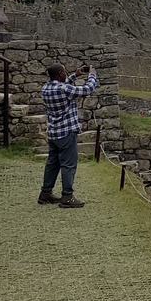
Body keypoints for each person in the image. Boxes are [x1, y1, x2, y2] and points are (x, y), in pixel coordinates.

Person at [38, 62, 97, 208]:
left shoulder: (45, 88)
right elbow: (87, 89)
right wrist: (92, 76)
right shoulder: (65, 89)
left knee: (52, 163)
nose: (66, 74)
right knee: (68, 165)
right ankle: (67, 196)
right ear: (59, 74)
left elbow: (63, 86)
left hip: (53, 132)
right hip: (67, 132)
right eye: (64, 72)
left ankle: (45, 193)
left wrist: (74, 76)